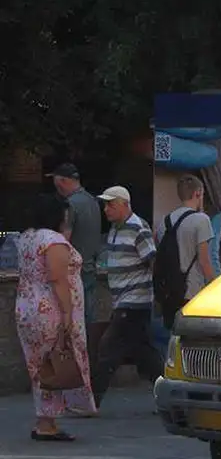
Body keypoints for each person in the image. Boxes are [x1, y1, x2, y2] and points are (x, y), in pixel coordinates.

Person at [15, 195, 97, 441]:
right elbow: (58, 279)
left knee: (40, 365)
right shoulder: (53, 241)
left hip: (27, 307)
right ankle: (47, 422)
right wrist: (68, 313)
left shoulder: (26, 237)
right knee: (56, 360)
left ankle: (46, 419)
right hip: (49, 309)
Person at [90, 186, 165, 407]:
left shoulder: (137, 228)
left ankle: (92, 401)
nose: (106, 209)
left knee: (107, 348)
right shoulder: (115, 229)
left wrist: (157, 295)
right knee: (144, 355)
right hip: (123, 300)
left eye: (110, 204)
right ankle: (169, 394)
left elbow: (153, 261)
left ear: (124, 204)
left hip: (134, 301)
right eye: (105, 205)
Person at [45, 163, 108, 372]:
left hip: (73, 273)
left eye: (57, 183)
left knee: (71, 325)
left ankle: (73, 371)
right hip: (90, 268)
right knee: (87, 322)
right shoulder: (93, 202)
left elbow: (65, 240)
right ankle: (89, 369)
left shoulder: (70, 205)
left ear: (63, 181)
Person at [154, 175, 216, 328]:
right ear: (198, 193)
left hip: (169, 291)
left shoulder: (165, 221)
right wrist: (215, 285)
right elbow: (204, 260)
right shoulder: (202, 220)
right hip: (191, 291)